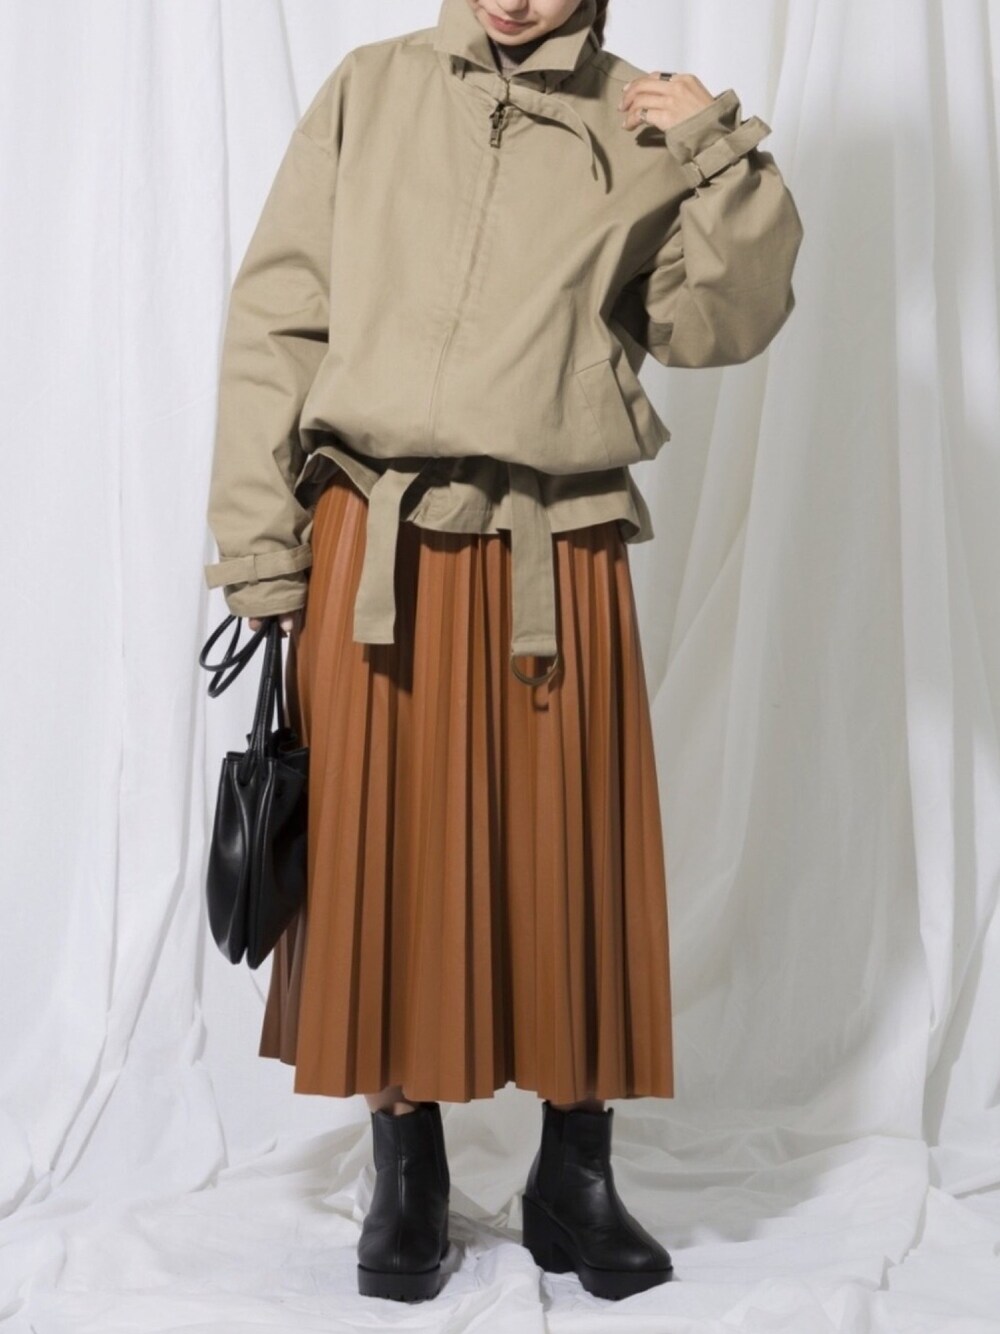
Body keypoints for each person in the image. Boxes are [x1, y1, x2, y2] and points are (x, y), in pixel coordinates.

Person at [202, 0, 803, 1305]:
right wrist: (260, 544)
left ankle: (573, 1177)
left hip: (556, 546)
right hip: (376, 540)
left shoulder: (641, 117)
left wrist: (715, 152)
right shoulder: (370, 89)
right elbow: (278, 317)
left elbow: (721, 325)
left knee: (571, 852)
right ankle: (405, 1167)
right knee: (376, 852)